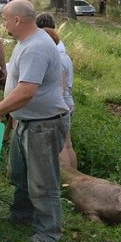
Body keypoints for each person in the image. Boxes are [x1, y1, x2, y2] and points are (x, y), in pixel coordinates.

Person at [0, 0, 70, 242]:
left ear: (17, 20)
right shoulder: (26, 42)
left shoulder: (36, 47)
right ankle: (22, 216)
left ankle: (48, 233)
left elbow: (26, 91)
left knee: (43, 183)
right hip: (25, 122)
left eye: (6, 19)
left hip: (43, 124)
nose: (4, 23)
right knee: (20, 175)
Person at [42, 27, 77, 168]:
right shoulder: (64, 56)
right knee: (67, 145)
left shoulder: (56, 58)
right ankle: (75, 176)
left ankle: (68, 179)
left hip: (61, 106)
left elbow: (60, 88)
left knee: (61, 148)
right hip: (67, 102)